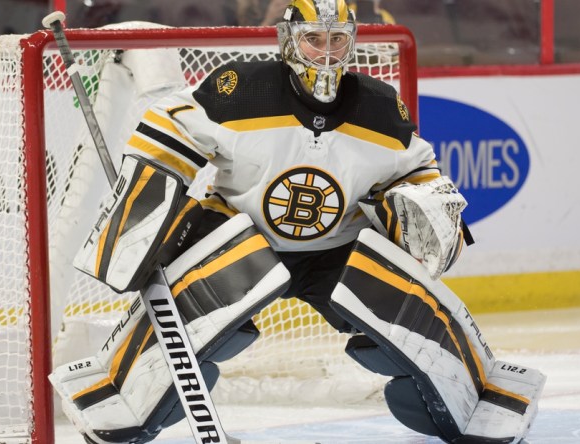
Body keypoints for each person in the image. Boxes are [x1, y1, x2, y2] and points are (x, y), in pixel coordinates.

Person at [50, 1, 545, 443]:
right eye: (314, 38)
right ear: (289, 41)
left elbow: (418, 168)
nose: (326, 52)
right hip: (238, 237)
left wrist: (415, 205)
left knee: (402, 323)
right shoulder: (241, 89)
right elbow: (166, 123)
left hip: (337, 248)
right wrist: (149, 203)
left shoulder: (379, 107)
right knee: (198, 319)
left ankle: (477, 397)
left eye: (337, 40)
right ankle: (117, 392)